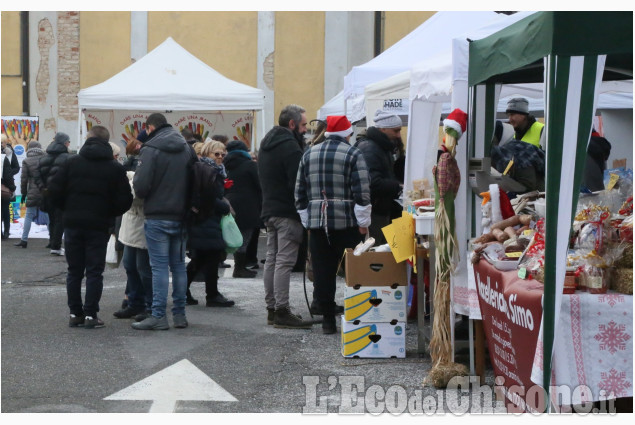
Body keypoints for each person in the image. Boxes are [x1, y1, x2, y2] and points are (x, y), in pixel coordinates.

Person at [47, 125, 132, 329]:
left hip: (73, 222)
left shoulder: (71, 162)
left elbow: (54, 191)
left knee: (74, 270)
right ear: (107, 141)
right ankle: (91, 314)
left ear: (87, 138)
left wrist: (66, 209)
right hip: (98, 224)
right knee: (94, 271)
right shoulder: (114, 168)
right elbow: (125, 200)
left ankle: (75, 312)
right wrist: (109, 212)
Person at [295, 115, 371, 334]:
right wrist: (363, 222)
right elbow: (362, 190)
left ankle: (328, 320)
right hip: (347, 221)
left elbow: (299, 190)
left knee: (323, 270)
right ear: (347, 132)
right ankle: (358, 317)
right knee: (353, 270)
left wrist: (306, 219)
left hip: (318, 222)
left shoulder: (309, 153)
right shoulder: (353, 153)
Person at [132, 113, 197, 330]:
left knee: (159, 267)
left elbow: (140, 187)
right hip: (181, 215)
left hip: (157, 215)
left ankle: (159, 315)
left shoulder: (150, 149)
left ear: (149, 128)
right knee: (178, 266)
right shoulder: (186, 148)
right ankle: (180, 314)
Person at [258, 104, 313, 329]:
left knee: (272, 258)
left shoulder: (267, 143)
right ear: (292, 124)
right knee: (284, 261)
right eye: (303, 125)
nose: (305, 129)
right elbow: (297, 182)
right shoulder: (290, 146)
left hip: (270, 209)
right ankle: (282, 310)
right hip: (287, 211)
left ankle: (272, 309)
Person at [186, 141, 235, 307]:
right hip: (206, 220)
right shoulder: (208, 170)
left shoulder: (210, 169)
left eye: (223, 154)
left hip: (206, 220)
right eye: (216, 154)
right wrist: (224, 206)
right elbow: (208, 198)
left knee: (200, 259)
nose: (220, 157)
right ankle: (212, 295)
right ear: (207, 154)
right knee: (210, 257)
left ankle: (186, 291)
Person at [355, 109, 403, 244]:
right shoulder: (370, 148)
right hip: (374, 211)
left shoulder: (381, 147)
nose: (399, 135)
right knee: (374, 253)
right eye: (396, 131)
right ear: (383, 129)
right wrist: (398, 186)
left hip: (379, 208)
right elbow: (372, 182)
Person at [223, 140, 262, 278]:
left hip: (231, 203)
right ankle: (239, 268)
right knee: (244, 237)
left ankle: (239, 266)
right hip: (248, 204)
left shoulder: (227, 166)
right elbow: (260, 184)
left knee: (234, 235)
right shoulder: (250, 165)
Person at [490, 98, 546, 193]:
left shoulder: (542, 130)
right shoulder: (512, 137)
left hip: (538, 191)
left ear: (523, 114)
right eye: (508, 115)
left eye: (512, 115)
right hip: (520, 189)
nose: (510, 119)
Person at [38, 132, 72, 255]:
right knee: (60, 220)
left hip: (47, 193)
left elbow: (37, 176)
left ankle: (52, 242)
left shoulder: (43, 157)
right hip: (61, 194)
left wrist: (43, 188)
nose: (69, 144)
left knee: (52, 219)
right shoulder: (68, 158)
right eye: (68, 141)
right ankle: (56, 246)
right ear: (64, 143)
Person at [15, 141, 47, 248]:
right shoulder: (45, 159)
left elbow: (24, 180)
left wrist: (24, 193)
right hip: (44, 191)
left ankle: (24, 240)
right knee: (47, 215)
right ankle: (53, 240)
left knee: (28, 215)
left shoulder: (26, 161)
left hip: (32, 191)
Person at [1, 151, 16, 239]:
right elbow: (8, 175)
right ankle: (6, 232)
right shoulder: (3, 158)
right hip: (3, 189)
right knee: (5, 210)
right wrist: (12, 187)